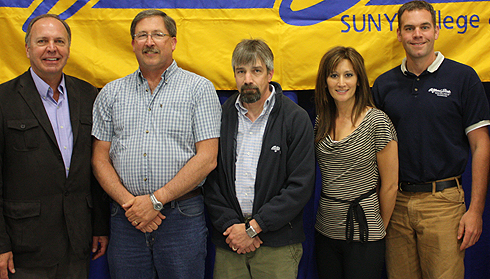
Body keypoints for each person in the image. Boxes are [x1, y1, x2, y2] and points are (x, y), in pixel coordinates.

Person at [91, 9, 221, 279]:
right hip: (127, 220)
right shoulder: (110, 93)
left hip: (181, 218)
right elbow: (99, 159)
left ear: (172, 42)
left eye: (158, 35)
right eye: (142, 35)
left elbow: (207, 157)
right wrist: (133, 206)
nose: (149, 42)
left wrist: (155, 201)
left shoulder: (199, 89)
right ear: (133, 44)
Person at [371, 1, 490, 278]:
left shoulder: (463, 77)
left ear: (436, 31)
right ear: (399, 34)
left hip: (444, 204)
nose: (417, 34)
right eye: (409, 28)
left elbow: (481, 144)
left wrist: (475, 211)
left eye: (424, 27)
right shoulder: (384, 85)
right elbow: (374, 149)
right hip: (395, 204)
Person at [0, 14, 109, 279]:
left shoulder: (89, 95)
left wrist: (100, 225)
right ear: (27, 49)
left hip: (78, 240)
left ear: (68, 49)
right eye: (42, 41)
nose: (52, 48)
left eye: (59, 41)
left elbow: (96, 165)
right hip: (24, 246)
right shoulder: (3, 99)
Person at [204, 39, 315, 279]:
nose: (248, 80)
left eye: (256, 71)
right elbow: (210, 179)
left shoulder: (295, 118)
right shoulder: (220, 117)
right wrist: (233, 227)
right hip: (230, 240)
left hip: (277, 244)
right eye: (241, 71)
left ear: (270, 73)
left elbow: (300, 186)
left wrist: (254, 228)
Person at [313, 46, 398, 279]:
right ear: (325, 81)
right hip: (326, 229)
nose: (341, 83)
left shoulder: (377, 121)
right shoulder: (321, 120)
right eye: (334, 75)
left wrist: (379, 228)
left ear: (359, 80)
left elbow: (390, 184)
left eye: (348, 75)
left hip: (365, 233)